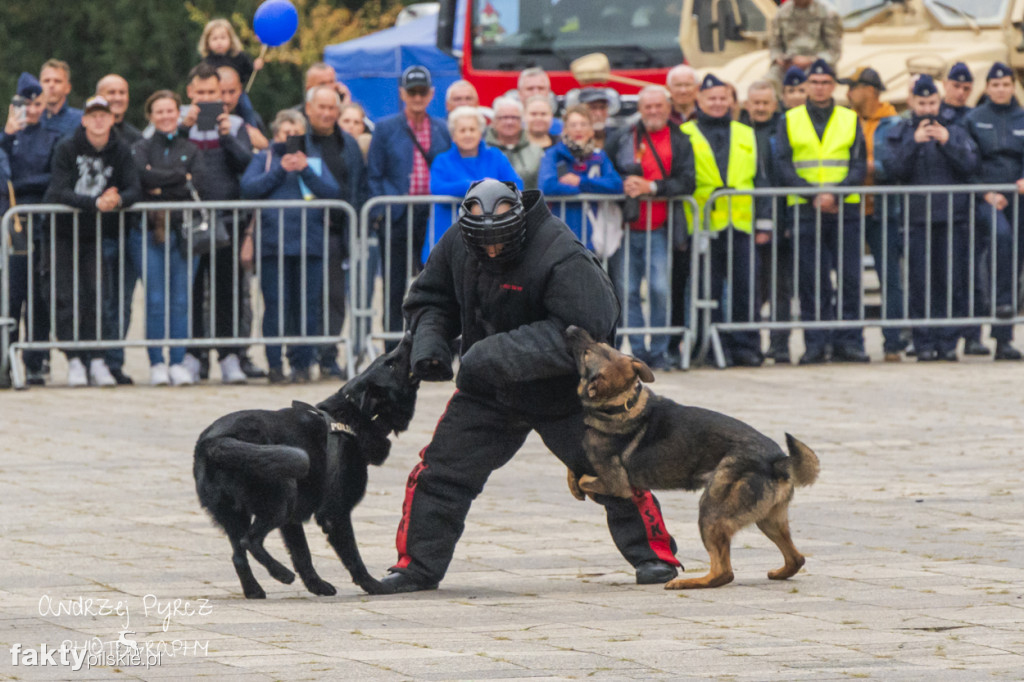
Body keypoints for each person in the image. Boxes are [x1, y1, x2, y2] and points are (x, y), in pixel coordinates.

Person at [376, 179, 681, 594]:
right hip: (488, 392)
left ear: (517, 224)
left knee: (613, 470)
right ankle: (415, 568)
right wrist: (430, 346)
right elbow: (432, 298)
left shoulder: (561, 252)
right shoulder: (458, 242)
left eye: (499, 242)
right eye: (482, 244)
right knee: (440, 473)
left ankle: (654, 556)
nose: (492, 251)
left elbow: (586, 329)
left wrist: (488, 354)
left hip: (566, 393)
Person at [43, 95, 140, 387]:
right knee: (65, 296)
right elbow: (59, 190)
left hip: (97, 234)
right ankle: (74, 359)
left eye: (104, 115)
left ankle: (97, 358)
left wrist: (117, 199)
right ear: (83, 119)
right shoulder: (67, 147)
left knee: (99, 296)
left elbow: (134, 188)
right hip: (62, 233)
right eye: (92, 115)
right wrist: (95, 203)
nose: (98, 120)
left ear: (112, 119)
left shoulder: (121, 149)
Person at [775, 58, 867, 364]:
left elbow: (857, 165)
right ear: (806, 86)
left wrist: (834, 195)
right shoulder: (790, 119)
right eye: (814, 82)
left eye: (825, 82)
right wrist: (812, 194)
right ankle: (816, 343)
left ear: (833, 85)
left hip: (844, 210)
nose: (819, 87)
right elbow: (784, 165)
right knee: (812, 281)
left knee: (850, 279)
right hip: (805, 209)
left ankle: (849, 342)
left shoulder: (849, 118)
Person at [241, 110, 341, 383]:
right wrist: (279, 170)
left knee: (308, 307)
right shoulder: (264, 159)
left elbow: (332, 192)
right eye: (285, 133)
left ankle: (302, 364)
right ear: (275, 135)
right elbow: (248, 188)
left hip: (310, 246)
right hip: (273, 246)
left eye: (295, 133)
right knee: (274, 306)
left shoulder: (314, 161)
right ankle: (274, 364)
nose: (290, 139)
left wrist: (304, 169)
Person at [886, 75, 978, 362]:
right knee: (920, 284)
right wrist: (913, 143)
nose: (927, 109)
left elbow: (971, 165)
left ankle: (948, 343)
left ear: (939, 102)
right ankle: (924, 342)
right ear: (912, 102)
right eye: (922, 103)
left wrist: (948, 142)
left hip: (952, 218)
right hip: (917, 220)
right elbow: (893, 170)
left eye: (932, 102)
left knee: (951, 283)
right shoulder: (901, 131)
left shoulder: (956, 129)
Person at [605, 85, 696, 371]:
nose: (654, 112)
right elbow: (607, 173)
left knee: (659, 289)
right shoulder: (622, 137)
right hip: (627, 226)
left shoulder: (681, 139)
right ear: (640, 110)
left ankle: (659, 351)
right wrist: (621, 185)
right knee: (627, 290)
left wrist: (652, 187)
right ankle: (637, 352)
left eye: (659, 106)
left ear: (668, 108)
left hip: (661, 227)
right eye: (648, 107)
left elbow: (688, 180)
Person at [681, 74, 762, 367]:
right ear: (699, 101)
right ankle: (712, 347)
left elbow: (760, 179)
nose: (717, 103)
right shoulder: (686, 132)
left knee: (745, 289)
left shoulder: (745, 132)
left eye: (722, 98)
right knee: (707, 290)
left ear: (730, 101)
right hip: (703, 225)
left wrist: (764, 222)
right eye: (711, 98)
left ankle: (746, 347)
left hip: (740, 224)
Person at [367, 65, 450, 346]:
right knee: (393, 284)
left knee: (436, 283)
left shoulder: (442, 129)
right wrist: (384, 211)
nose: (417, 97)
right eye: (412, 92)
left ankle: (434, 342)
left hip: (432, 215)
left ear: (431, 94)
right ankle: (393, 345)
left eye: (422, 92)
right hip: (398, 215)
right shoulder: (385, 128)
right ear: (402, 93)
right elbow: (374, 174)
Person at [181, 62, 254, 383]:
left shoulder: (236, 124)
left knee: (228, 290)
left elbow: (247, 166)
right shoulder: (177, 120)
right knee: (192, 290)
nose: (208, 98)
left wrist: (226, 137)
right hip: (189, 220)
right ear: (190, 93)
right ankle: (194, 355)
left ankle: (228, 355)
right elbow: (163, 157)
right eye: (202, 93)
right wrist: (182, 130)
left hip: (228, 219)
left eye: (213, 93)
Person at [131, 90, 203, 386]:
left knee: (181, 298)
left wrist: (162, 181)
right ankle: (157, 362)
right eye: (158, 112)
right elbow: (141, 179)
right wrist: (177, 177)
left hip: (183, 233)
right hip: (148, 232)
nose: (165, 116)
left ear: (178, 113)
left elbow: (194, 182)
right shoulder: (140, 147)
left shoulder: (192, 148)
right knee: (156, 298)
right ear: (150, 116)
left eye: (169, 111)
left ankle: (177, 360)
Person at [1, 72, 63, 386]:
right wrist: (7, 136)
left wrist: (20, 185)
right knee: (11, 297)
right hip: (12, 227)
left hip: (41, 225)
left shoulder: (52, 137)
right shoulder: (6, 137)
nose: (33, 109)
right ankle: (6, 360)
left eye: (38, 103)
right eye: (27, 103)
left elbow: (53, 178)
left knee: (39, 298)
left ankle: (36, 361)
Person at [304, 85, 370, 381]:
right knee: (305, 298)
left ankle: (329, 355)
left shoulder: (349, 144)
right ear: (309, 109)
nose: (327, 113)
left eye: (332, 108)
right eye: (322, 107)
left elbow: (358, 186)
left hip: (337, 233)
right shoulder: (297, 141)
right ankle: (301, 357)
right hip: (303, 232)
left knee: (334, 299)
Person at [842, 66, 906, 361]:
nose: (848, 92)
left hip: (883, 211)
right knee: (851, 277)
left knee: (889, 279)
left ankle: (893, 343)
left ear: (870, 90)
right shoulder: (846, 120)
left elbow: (897, 163)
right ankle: (852, 342)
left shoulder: (894, 123)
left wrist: (867, 167)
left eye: (853, 87)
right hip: (853, 208)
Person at [962, 63, 1024, 360]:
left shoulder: (1022, 117)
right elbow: (967, 162)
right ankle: (980, 326)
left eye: (1006, 84)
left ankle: (1004, 339)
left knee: (1014, 261)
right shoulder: (975, 119)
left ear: (1013, 87)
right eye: (995, 85)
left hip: (1019, 198)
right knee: (1000, 240)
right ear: (987, 88)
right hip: (987, 198)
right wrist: (985, 191)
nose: (1001, 90)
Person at [95, 73, 142, 385]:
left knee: (122, 302)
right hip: (93, 233)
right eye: (110, 92)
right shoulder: (87, 135)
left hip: (127, 231)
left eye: (122, 91)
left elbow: (137, 184)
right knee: (98, 300)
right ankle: (94, 359)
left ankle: (115, 361)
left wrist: (120, 197)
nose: (117, 97)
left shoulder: (136, 137)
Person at [427, 106, 522, 260]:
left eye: (472, 129)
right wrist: (476, 186)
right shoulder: (442, 160)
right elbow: (437, 188)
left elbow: (517, 184)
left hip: (491, 236)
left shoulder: (495, 156)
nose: (468, 134)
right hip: (448, 234)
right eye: (462, 130)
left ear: (480, 133)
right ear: (453, 135)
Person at [939, 62, 988, 356]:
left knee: (972, 275)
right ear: (945, 85)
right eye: (956, 86)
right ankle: (945, 338)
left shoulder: (974, 117)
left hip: (970, 205)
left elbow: (978, 160)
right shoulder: (936, 115)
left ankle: (972, 334)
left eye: (967, 88)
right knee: (945, 277)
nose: (961, 92)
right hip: (945, 206)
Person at [744, 79, 794, 364]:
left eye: (766, 103)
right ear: (747, 104)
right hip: (746, 221)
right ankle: (752, 344)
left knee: (779, 289)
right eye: (756, 103)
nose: (761, 108)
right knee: (753, 288)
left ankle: (780, 344)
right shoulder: (741, 131)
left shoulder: (782, 131)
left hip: (780, 220)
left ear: (775, 104)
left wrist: (775, 222)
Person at [537, 104, 622, 247]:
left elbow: (616, 185)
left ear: (591, 130)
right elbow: (547, 186)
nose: (578, 129)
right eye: (573, 125)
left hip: (593, 234)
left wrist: (580, 182)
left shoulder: (599, 156)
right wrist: (588, 190)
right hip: (560, 233)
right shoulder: (553, 154)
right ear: (565, 130)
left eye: (583, 124)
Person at [198, 18, 263, 129]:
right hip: (216, 96)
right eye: (214, 38)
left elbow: (249, 70)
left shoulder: (238, 56)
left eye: (223, 38)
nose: (219, 42)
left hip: (238, 94)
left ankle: (252, 128)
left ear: (231, 40)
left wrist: (256, 66)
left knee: (246, 108)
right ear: (207, 42)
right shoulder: (208, 61)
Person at [484, 96, 544, 190]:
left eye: (514, 117)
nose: (509, 122)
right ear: (494, 121)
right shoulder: (483, 150)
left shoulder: (536, 151)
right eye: (504, 117)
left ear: (522, 120)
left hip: (527, 203)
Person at [218, 66, 268, 150]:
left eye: (232, 92)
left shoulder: (254, 120)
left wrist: (265, 147)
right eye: (222, 92)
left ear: (240, 90)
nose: (227, 99)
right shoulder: (195, 119)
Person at [39, 59, 82, 138]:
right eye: (46, 81)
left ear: (68, 88)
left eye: (57, 81)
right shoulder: (31, 121)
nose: (51, 85)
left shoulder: (80, 121)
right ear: (39, 86)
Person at [517, 67, 562, 135]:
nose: (536, 93)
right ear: (520, 94)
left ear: (548, 92)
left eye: (541, 88)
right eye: (530, 89)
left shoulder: (562, 126)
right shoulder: (510, 124)